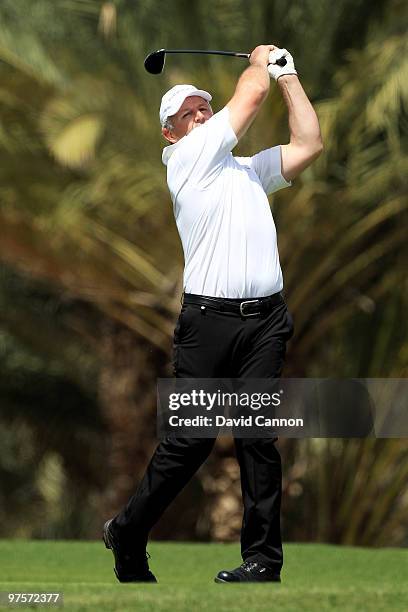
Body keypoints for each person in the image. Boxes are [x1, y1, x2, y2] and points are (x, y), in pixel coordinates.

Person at [103, 44, 323, 583]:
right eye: (190, 113)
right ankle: (128, 530)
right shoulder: (188, 161)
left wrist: (288, 77)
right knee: (192, 439)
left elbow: (309, 144)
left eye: (204, 107)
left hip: (266, 321)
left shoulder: (246, 171)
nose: (202, 115)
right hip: (209, 324)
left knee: (257, 437)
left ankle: (263, 562)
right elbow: (248, 97)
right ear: (171, 133)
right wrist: (260, 60)